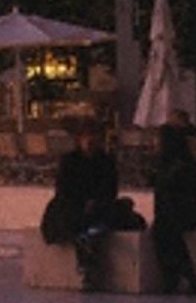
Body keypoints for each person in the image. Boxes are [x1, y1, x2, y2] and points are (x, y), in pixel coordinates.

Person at [40, 120, 142, 290]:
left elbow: (110, 189)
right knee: (75, 220)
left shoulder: (106, 161)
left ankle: (90, 240)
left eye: (95, 139)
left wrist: (96, 201)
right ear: (79, 140)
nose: (91, 143)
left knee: (121, 208)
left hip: (97, 205)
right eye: (87, 138)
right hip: (73, 205)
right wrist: (82, 201)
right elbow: (64, 188)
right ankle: (88, 261)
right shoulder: (70, 160)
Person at [150, 109, 196, 295]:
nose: (154, 144)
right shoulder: (175, 165)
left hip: (181, 215)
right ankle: (182, 274)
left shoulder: (177, 168)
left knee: (165, 231)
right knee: (164, 230)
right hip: (175, 214)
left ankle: (179, 274)